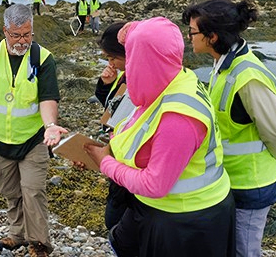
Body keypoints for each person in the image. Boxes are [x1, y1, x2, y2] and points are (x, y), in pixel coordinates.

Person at [84, 17, 236, 257]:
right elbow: (136, 135)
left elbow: (155, 185)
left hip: (186, 219)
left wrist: (105, 163)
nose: (127, 64)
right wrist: (103, 152)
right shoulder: (171, 79)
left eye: (131, 55)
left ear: (142, 60)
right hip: (162, 210)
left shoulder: (179, 116)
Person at [182, 0, 276, 257]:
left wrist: (273, 158)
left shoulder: (247, 76)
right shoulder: (222, 64)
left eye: (193, 32)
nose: (189, 37)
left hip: (251, 185)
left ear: (211, 36)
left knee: (245, 251)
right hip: (230, 181)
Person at [0, 4, 68, 257]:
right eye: (16, 35)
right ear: (5, 31)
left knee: (33, 192)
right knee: (11, 192)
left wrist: (50, 126)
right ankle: (18, 235)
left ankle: (40, 244)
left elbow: (48, 99)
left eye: (27, 34)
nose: (23, 41)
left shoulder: (43, 59)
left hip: (33, 140)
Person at [93, 22, 132, 230]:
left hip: (127, 164)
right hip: (117, 156)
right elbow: (111, 112)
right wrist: (106, 85)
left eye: (112, 58)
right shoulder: (125, 75)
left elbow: (123, 116)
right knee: (113, 221)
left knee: (116, 221)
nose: (110, 63)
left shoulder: (141, 79)